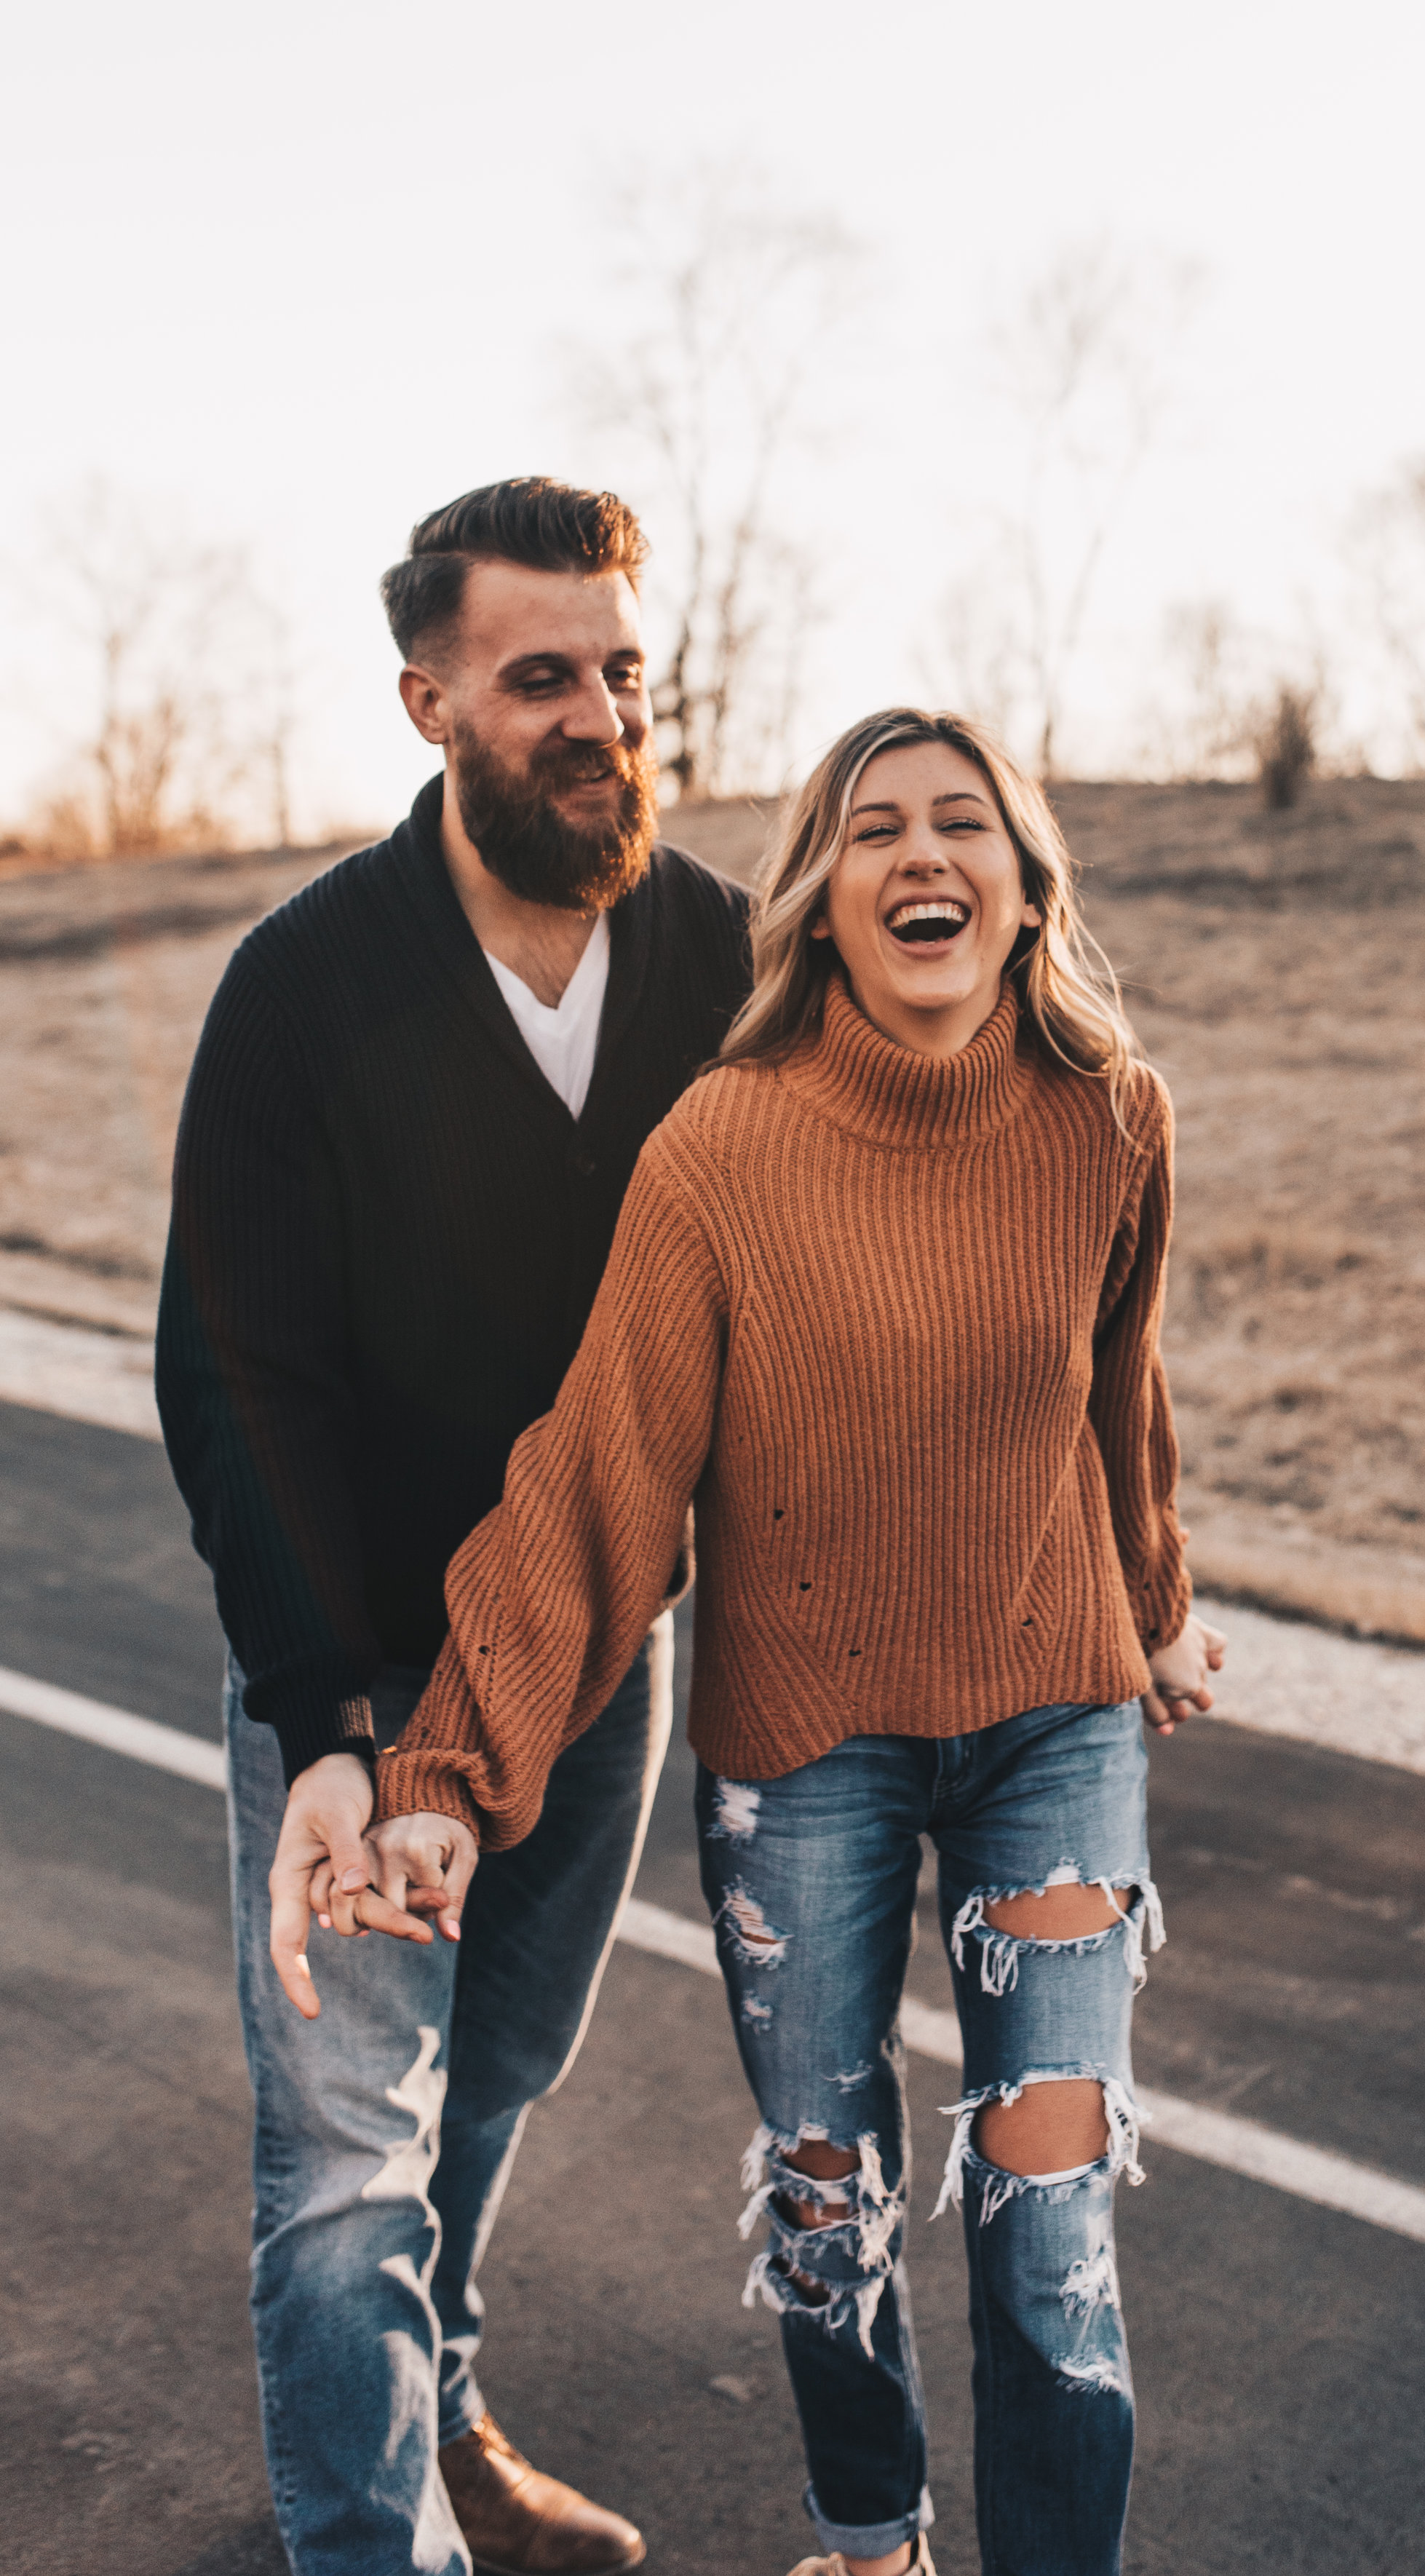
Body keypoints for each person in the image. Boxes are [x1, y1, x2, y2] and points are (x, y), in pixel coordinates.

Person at [355, 705, 1223, 2576]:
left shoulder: (1109, 1117)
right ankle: (868, 2535)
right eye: (871, 831)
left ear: (1021, 882)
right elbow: (597, 1474)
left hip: (1051, 1724)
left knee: (1046, 2216)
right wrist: (446, 1766)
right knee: (829, 2212)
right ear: (819, 902)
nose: (920, 856)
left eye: (960, 825)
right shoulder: (723, 1151)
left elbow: (1115, 1397)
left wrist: (1148, 1606)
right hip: (803, 1742)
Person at [156, 477, 752, 2576]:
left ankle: (440, 2407)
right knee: (345, 2148)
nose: (596, 715)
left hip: (603, 1651)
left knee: (494, 2069)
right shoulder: (302, 990)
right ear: (428, 701)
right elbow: (238, 1376)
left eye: (620, 671)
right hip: (369, 1660)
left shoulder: (718, 960)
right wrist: (326, 1713)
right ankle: (367, 2532)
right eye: (538, 678)